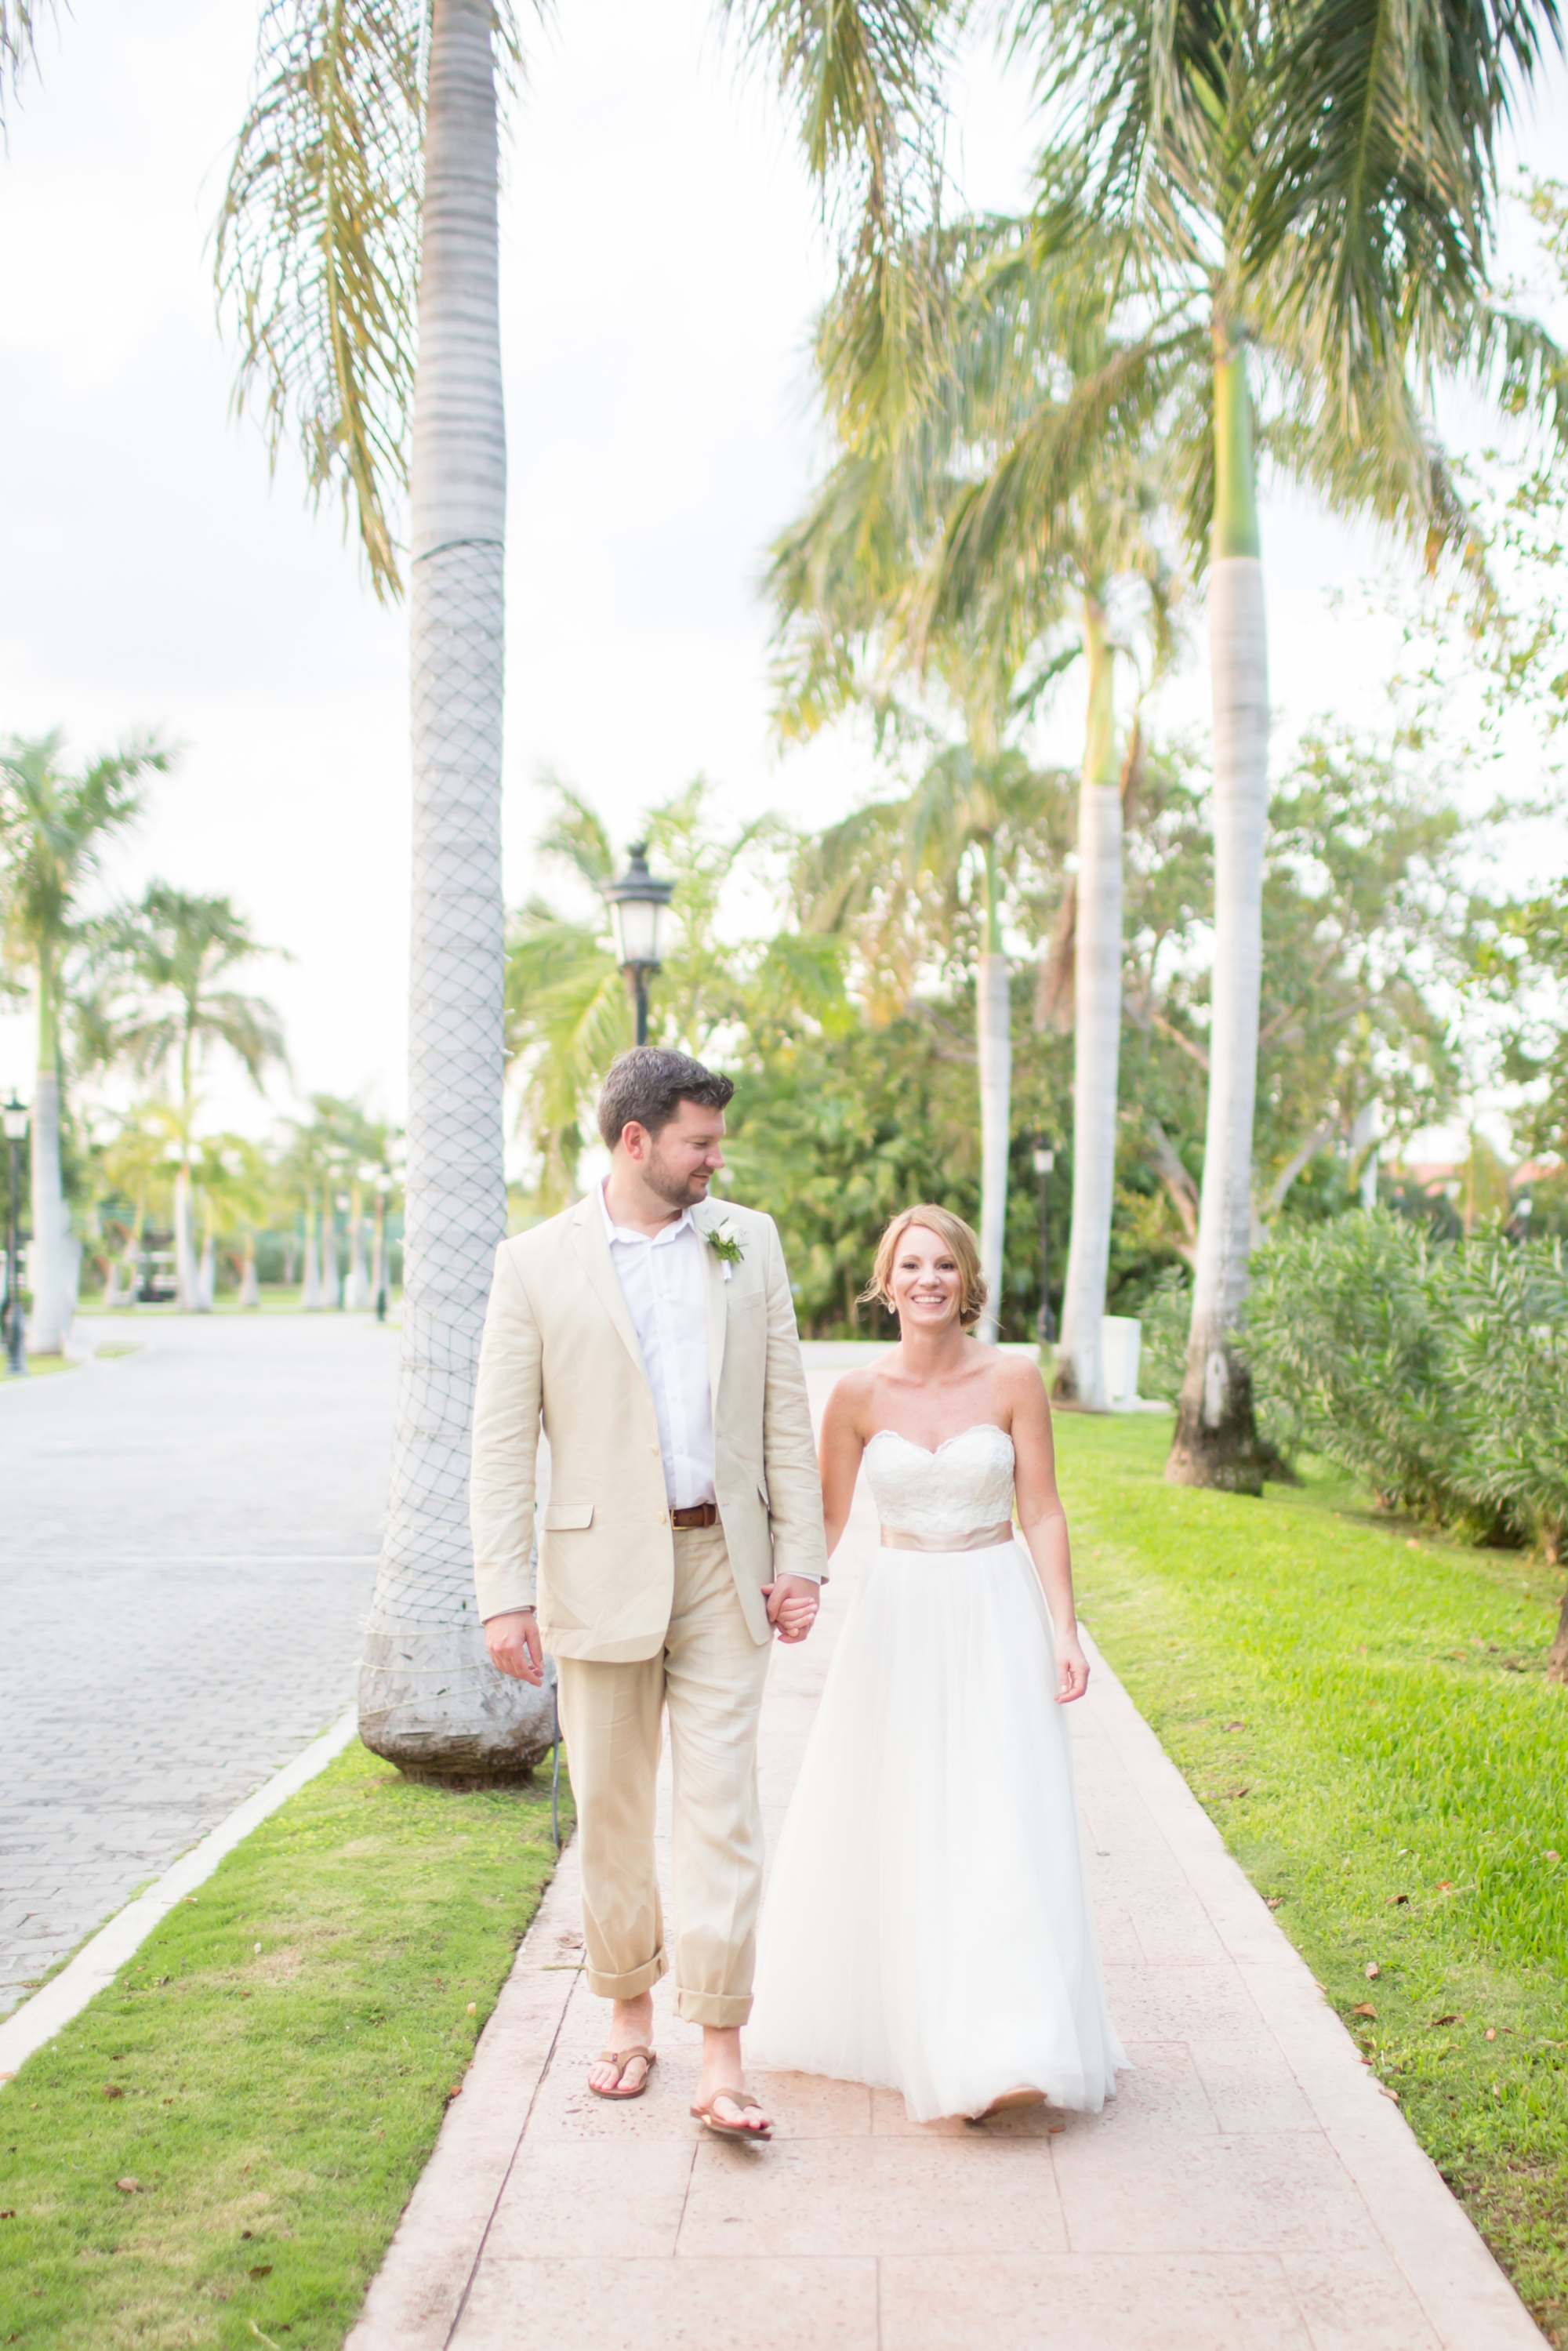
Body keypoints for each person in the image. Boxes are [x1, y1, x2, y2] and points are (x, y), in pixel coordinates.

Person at [470, 1047, 826, 2142]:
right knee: (615, 1810)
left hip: (724, 1560)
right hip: (596, 1571)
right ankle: (629, 2019)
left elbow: (782, 1406)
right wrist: (503, 1593)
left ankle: (723, 2053)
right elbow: (501, 1439)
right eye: (700, 1142)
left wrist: (801, 1556)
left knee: (722, 1806)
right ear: (636, 1142)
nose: (718, 1158)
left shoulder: (746, 1240)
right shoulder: (533, 1263)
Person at [747, 1203, 1126, 2124]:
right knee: (909, 1809)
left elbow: (1040, 1509)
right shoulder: (856, 1395)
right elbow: (827, 1524)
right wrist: (787, 1589)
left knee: (1001, 1811)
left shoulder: (1012, 1378)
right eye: (910, 1264)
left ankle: (1007, 2040)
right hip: (898, 1613)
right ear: (887, 1281)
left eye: (944, 1265)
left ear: (967, 1280)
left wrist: (1063, 1630)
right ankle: (919, 2024)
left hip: (995, 1606)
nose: (927, 1279)